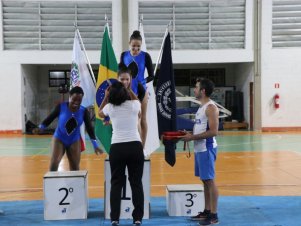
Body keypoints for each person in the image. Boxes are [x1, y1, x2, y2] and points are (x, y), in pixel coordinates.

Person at [98, 81, 144, 226]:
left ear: (111, 95)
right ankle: (137, 218)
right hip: (135, 147)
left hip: (117, 148)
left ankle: (114, 218)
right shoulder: (133, 105)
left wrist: (105, 97)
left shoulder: (110, 107)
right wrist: (128, 89)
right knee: (136, 183)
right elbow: (137, 100)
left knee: (116, 184)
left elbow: (99, 113)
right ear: (125, 93)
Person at [34, 86, 103, 171]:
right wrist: (40, 127)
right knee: (54, 164)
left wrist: (95, 145)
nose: (76, 102)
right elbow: (49, 118)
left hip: (74, 140)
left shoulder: (84, 111)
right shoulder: (61, 107)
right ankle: (53, 184)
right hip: (59, 139)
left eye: (79, 100)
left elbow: (89, 128)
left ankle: (74, 184)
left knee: (75, 167)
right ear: (69, 96)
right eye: (74, 99)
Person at [182, 78, 219, 226]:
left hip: (206, 148)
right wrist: (189, 133)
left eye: (196, 88)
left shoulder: (211, 107)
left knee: (209, 180)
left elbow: (214, 131)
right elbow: (201, 128)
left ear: (203, 91)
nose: (194, 90)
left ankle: (214, 215)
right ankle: (207, 210)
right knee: (204, 180)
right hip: (200, 148)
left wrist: (192, 137)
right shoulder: (201, 107)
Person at [117, 63, 148, 147]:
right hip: (121, 115)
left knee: (138, 121)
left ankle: (141, 147)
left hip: (133, 110)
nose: (124, 82)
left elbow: (138, 105)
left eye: (127, 79)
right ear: (118, 78)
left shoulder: (138, 86)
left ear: (130, 78)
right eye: (122, 79)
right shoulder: (114, 89)